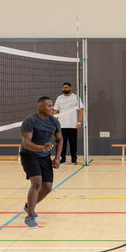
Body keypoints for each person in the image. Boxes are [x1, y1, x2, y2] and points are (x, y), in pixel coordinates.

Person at [20, 96, 63, 229]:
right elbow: (26, 143)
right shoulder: (30, 120)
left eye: (52, 105)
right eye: (49, 106)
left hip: (44, 156)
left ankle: (29, 207)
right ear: (40, 107)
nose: (52, 108)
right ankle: (30, 217)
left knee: (48, 188)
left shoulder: (54, 122)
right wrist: (40, 147)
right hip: (29, 155)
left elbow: (59, 140)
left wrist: (57, 158)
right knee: (37, 182)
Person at [54, 82, 84, 164]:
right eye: (63, 87)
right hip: (61, 125)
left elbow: (80, 110)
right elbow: (56, 111)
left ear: (70, 88)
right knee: (62, 144)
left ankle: (74, 159)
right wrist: (55, 123)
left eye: (66, 87)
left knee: (73, 144)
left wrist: (79, 122)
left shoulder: (76, 97)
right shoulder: (59, 98)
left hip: (72, 125)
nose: (65, 89)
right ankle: (62, 159)